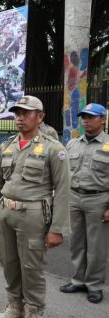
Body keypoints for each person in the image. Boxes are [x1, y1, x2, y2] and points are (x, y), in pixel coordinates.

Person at [0, 96, 70, 318]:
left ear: (40, 117)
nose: (20, 117)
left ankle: (33, 312)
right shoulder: (8, 146)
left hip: (34, 217)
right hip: (6, 214)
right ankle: (14, 307)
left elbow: (62, 189)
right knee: (9, 263)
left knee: (32, 268)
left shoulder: (54, 149)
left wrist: (57, 228)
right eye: (17, 113)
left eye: (26, 113)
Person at [60, 103, 108, 304]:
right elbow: (64, 174)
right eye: (84, 117)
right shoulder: (72, 144)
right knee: (76, 242)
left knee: (96, 246)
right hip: (74, 198)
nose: (86, 120)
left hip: (99, 199)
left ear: (103, 119)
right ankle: (78, 279)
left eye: (91, 117)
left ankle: (95, 285)